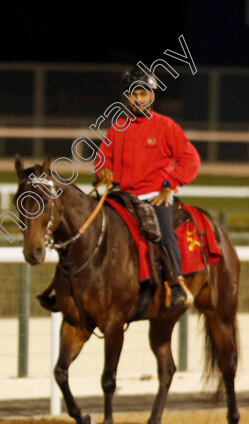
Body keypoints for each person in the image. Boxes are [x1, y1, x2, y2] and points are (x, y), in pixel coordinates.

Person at [94, 68, 199, 308]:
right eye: (133, 95)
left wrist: (169, 186)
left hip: (155, 196)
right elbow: (102, 158)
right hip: (123, 196)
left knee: (163, 231)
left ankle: (175, 283)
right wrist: (103, 169)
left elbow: (190, 160)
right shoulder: (117, 127)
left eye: (142, 94)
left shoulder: (166, 126)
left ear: (151, 96)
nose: (137, 99)